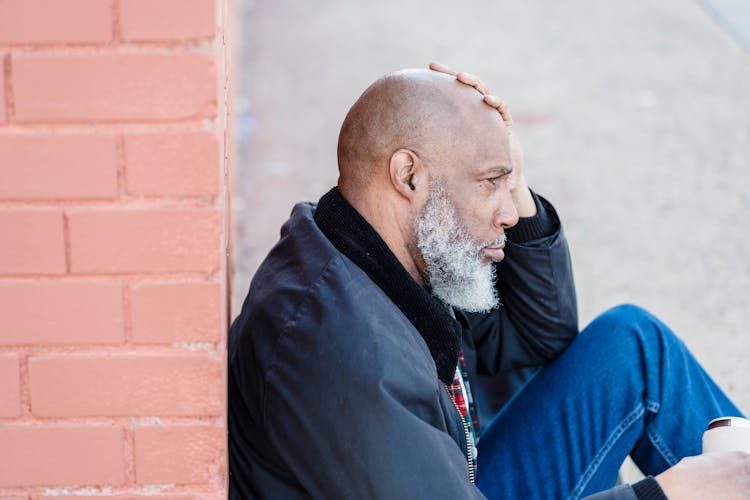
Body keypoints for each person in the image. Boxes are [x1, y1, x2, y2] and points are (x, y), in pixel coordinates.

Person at [227, 63, 750, 499]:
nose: (509, 213)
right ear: (409, 176)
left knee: (633, 346)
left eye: (509, 182)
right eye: (490, 183)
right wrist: (669, 494)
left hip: (453, 477)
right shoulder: (346, 353)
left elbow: (540, 339)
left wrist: (512, 179)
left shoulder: (386, 243)